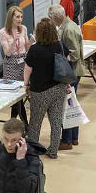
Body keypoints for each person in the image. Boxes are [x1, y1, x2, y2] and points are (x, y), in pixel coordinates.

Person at [24, 18, 68, 156]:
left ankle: (32, 151)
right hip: (59, 87)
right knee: (56, 121)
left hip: (40, 90)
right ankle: (53, 150)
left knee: (35, 122)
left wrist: (26, 84)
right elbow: (67, 61)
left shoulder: (35, 49)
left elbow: (28, 69)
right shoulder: (60, 46)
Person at [50, 5, 84, 149]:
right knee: (72, 104)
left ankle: (67, 140)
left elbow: (74, 54)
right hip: (73, 71)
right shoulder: (70, 25)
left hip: (71, 72)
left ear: (56, 17)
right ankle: (74, 137)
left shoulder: (68, 29)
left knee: (67, 106)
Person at [0, 6, 32, 122]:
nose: (20, 19)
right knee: (16, 97)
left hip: (22, 62)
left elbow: (26, 47)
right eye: (17, 17)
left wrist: (31, 42)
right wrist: (13, 41)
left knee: (19, 97)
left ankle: (12, 122)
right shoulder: (3, 32)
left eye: (21, 17)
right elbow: (7, 53)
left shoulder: (23, 28)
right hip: (11, 64)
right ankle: (25, 125)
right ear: (11, 17)